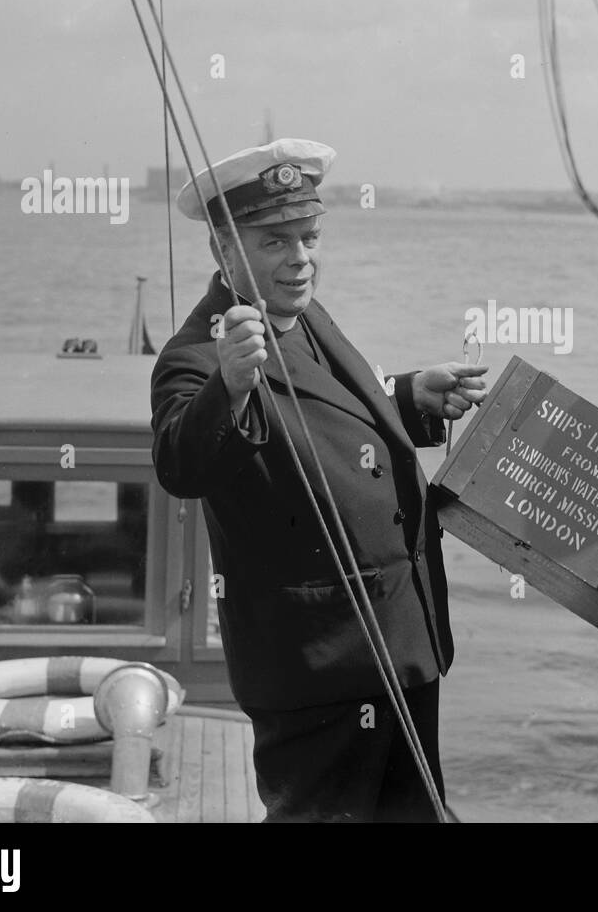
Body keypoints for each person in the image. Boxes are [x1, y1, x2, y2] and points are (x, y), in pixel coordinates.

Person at [151, 137, 488, 821]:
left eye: (309, 236)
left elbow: (324, 413)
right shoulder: (199, 356)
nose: (301, 259)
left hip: (399, 641)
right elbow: (182, 464)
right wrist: (231, 385)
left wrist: (406, 397)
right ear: (223, 251)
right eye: (275, 241)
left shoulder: (302, 313)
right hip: (323, 668)